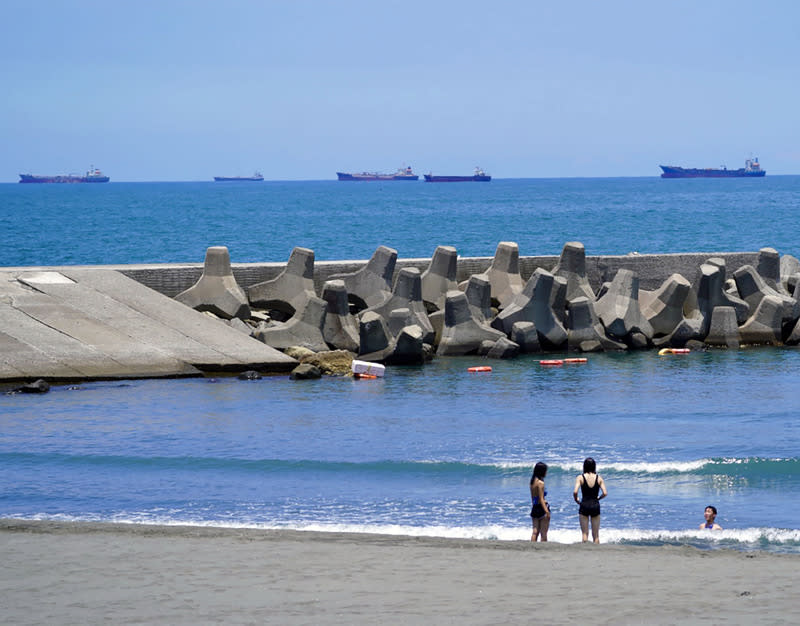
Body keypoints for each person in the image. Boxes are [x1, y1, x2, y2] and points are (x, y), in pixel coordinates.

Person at [573, 457, 607, 543]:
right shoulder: (599, 478)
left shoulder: (580, 477)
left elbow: (575, 491)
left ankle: (585, 551)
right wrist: (598, 498)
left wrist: (576, 500)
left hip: (584, 504)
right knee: (596, 535)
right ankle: (597, 551)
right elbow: (605, 493)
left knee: (585, 534)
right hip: (595, 505)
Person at [529, 462, 550, 542]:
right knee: (543, 533)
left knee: (535, 532)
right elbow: (541, 499)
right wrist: (547, 511)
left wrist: (534, 507)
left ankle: (532, 546)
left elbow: (533, 498)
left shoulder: (532, 483)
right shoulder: (540, 483)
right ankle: (543, 548)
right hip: (542, 507)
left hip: (534, 507)